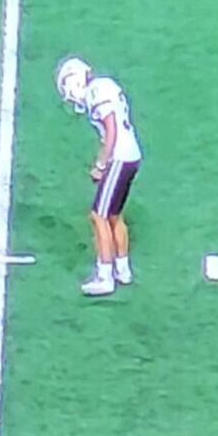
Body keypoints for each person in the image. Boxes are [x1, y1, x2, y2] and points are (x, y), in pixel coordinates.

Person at [55, 56, 142, 296]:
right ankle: (122, 270)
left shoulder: (97, 91)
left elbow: (111, 129)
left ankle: (105, 276)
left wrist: (101, 164)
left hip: (119, 157)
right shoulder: (104, 85)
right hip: (131, 155)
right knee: (114, 214)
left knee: (98, 216)